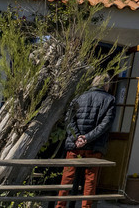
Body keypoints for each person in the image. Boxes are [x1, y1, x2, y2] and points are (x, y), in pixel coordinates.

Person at [56, 73, 116, 208]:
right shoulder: (110, 100)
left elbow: (69, 120)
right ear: (106, 85)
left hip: (75, 145)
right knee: (90, 180)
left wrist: (78, 137)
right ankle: (86, 207)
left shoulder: (79, 97)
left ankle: (60, 205)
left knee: (67, 178)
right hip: (94, 146)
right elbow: (105, 125)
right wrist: (87, 138)